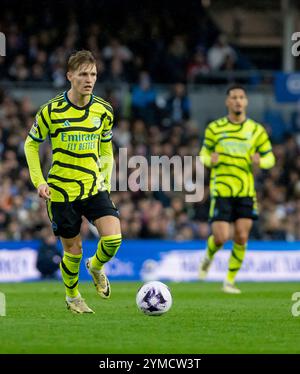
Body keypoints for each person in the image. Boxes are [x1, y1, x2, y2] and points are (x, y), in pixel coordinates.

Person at [24, 50, 122, 313]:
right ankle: (72, 296)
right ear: (70, 76)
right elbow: (31, 145)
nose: (89, 79)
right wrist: (39, 181)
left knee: (113, 239)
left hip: (93, 187)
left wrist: (106, 181)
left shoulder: (104, 110)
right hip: (61, 191)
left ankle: (96, 266)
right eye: (83, 74)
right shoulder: (51, 111)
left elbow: (105, 149)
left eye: (93, 74)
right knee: (73, 251)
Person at [199, 84, 275, 294]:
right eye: (234, 97)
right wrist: (210, 160)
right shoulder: (215, 128)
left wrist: (261, 161)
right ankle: (208, 256)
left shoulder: (256, 130)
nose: (238, 101)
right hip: (222, 189)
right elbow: (203, 154)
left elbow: (271, 158)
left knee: (241, 237)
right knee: (221, 237)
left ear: (246, 101)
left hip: (245, 191)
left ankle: (229, 281)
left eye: (241, 97)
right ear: (227, 102)